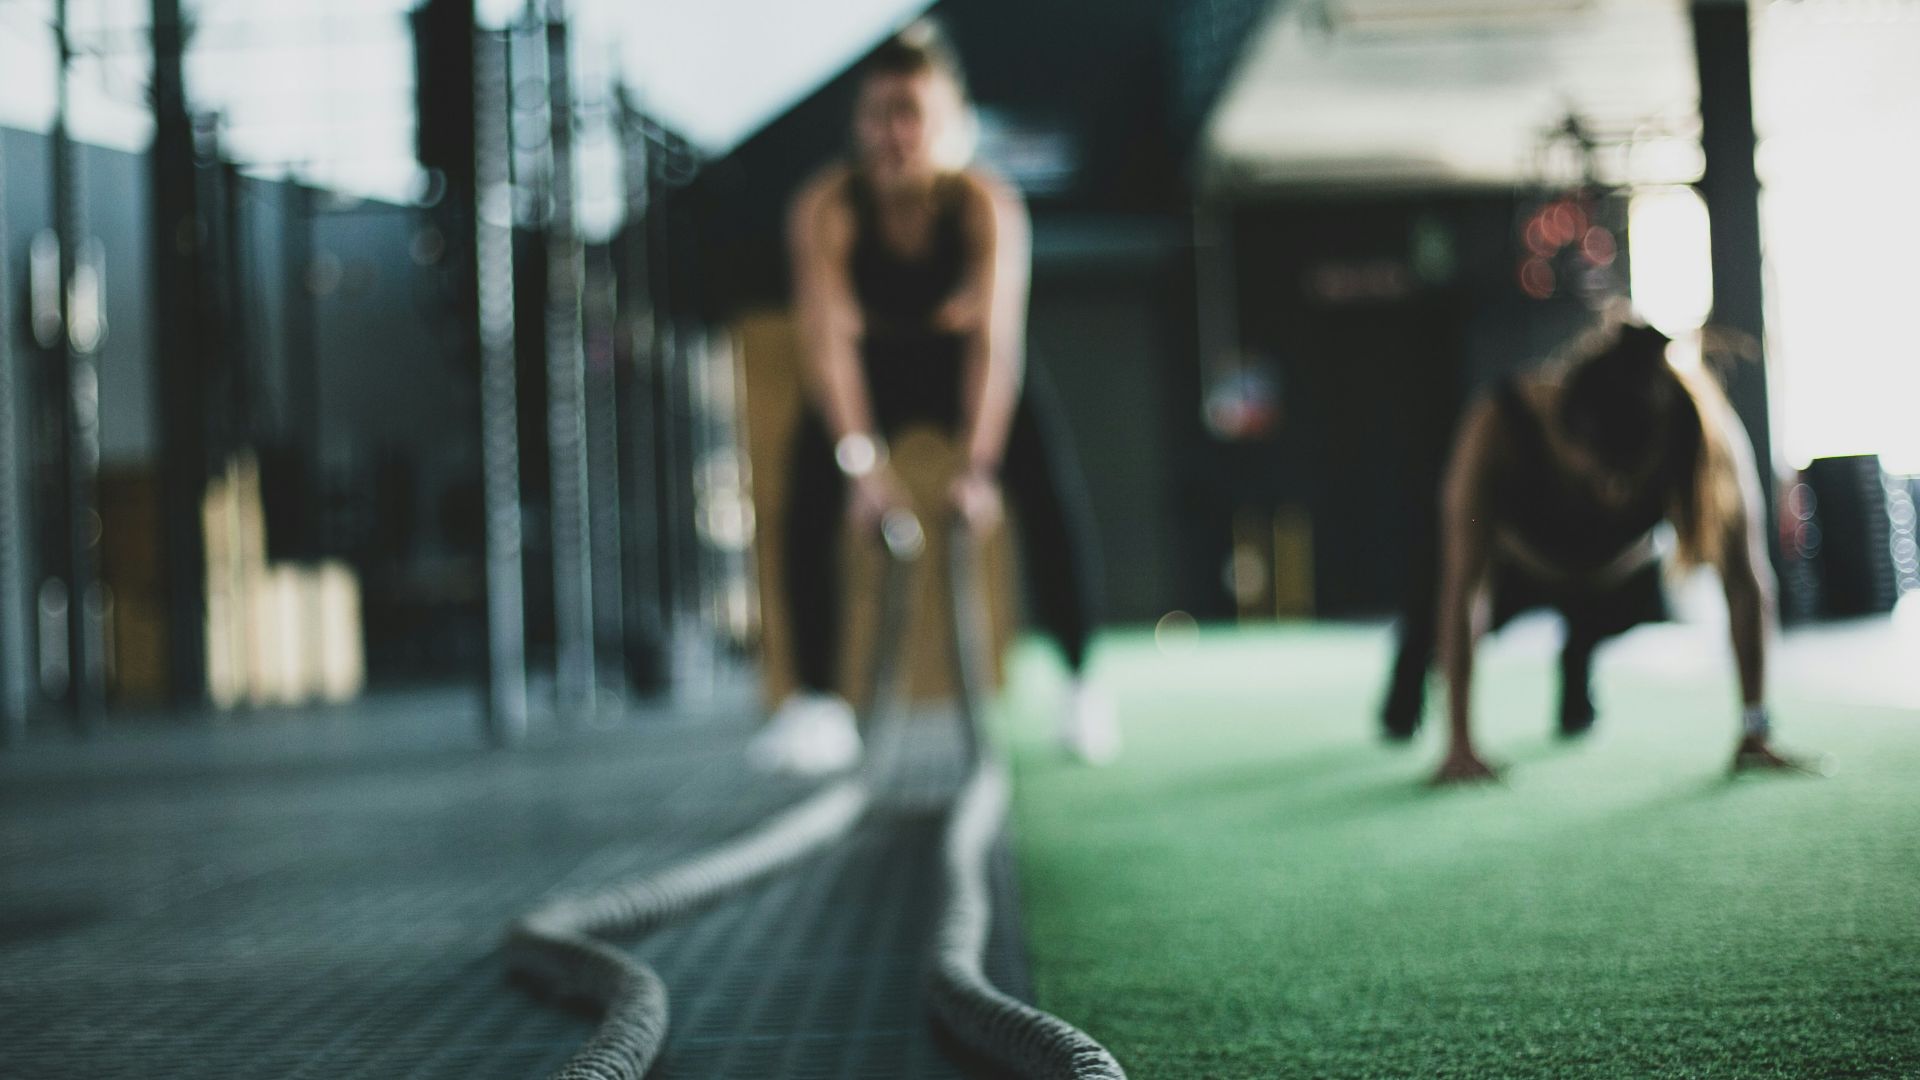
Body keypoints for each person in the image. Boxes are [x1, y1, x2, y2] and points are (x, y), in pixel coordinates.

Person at [748, 23, 1116, 776]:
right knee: (806, 491)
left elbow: (994, 345)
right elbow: (829, 348)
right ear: (859, 126)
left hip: (961, 369)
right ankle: (817, 704)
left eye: (912, 113)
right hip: (872, 370)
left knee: (1047, 489)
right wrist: (862, 469)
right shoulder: (827, 209)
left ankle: (1081, 685)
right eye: (880, 115)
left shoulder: (985, 206)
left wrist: (978, 470)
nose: (894, 134)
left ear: (950, 123)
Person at [1402, 317, 1809, 784]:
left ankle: (1577, 655)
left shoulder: (1696, 430)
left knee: (1617, 613)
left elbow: (1745, 581)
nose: (1614, 495)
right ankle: (1410, 672)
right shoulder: (1499, 421)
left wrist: (1754, 726)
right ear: (1564, 430)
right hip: (1517, 569)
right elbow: (1465, 584)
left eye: (1627, 480)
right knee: (1429, 614)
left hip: (1615, 576)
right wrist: (1460, 743)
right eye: (1599, 475)